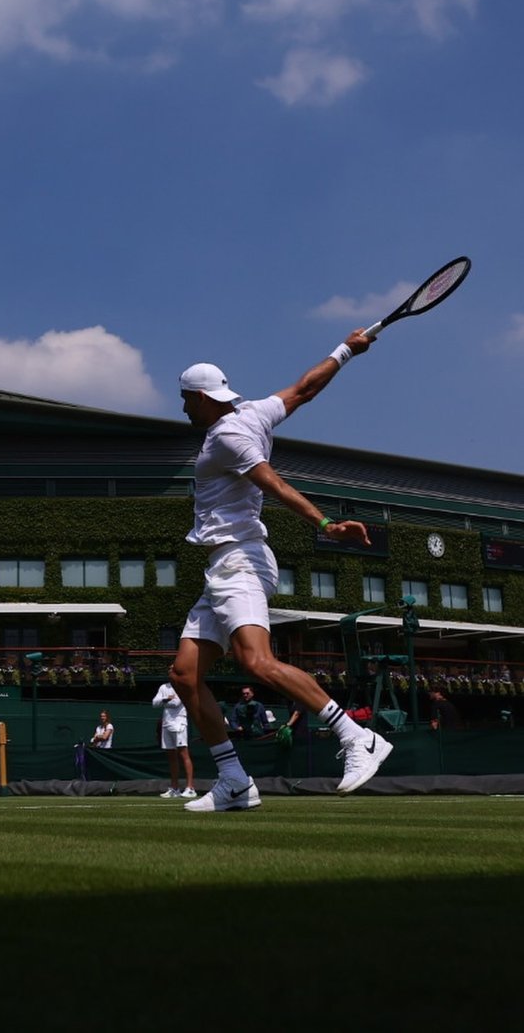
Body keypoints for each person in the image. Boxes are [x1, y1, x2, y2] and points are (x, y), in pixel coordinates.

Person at [171, 328, 393, 813]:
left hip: (240, 561)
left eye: (187, 400)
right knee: (185, 676)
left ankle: (357, 737)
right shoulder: (255, 412)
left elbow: (270, 481)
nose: (184, 408)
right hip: (221, 567)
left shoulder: (227, 434)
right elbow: (304, 388)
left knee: (258, 663)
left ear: (204, 398)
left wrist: (326, 523)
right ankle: (233, 779)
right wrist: (347, 350)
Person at [152, 667, 197, 798]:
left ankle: (190, 788)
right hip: (166, 724)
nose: (171, 673)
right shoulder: (163, 687)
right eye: (169, 672)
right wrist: (166, 699)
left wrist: (164, 700)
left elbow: (176, 703)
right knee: (171, 756)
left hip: (179, 724)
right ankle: (175, 788)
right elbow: (154, 703)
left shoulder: (184, 686)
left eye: (173, 671)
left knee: (184, 754)